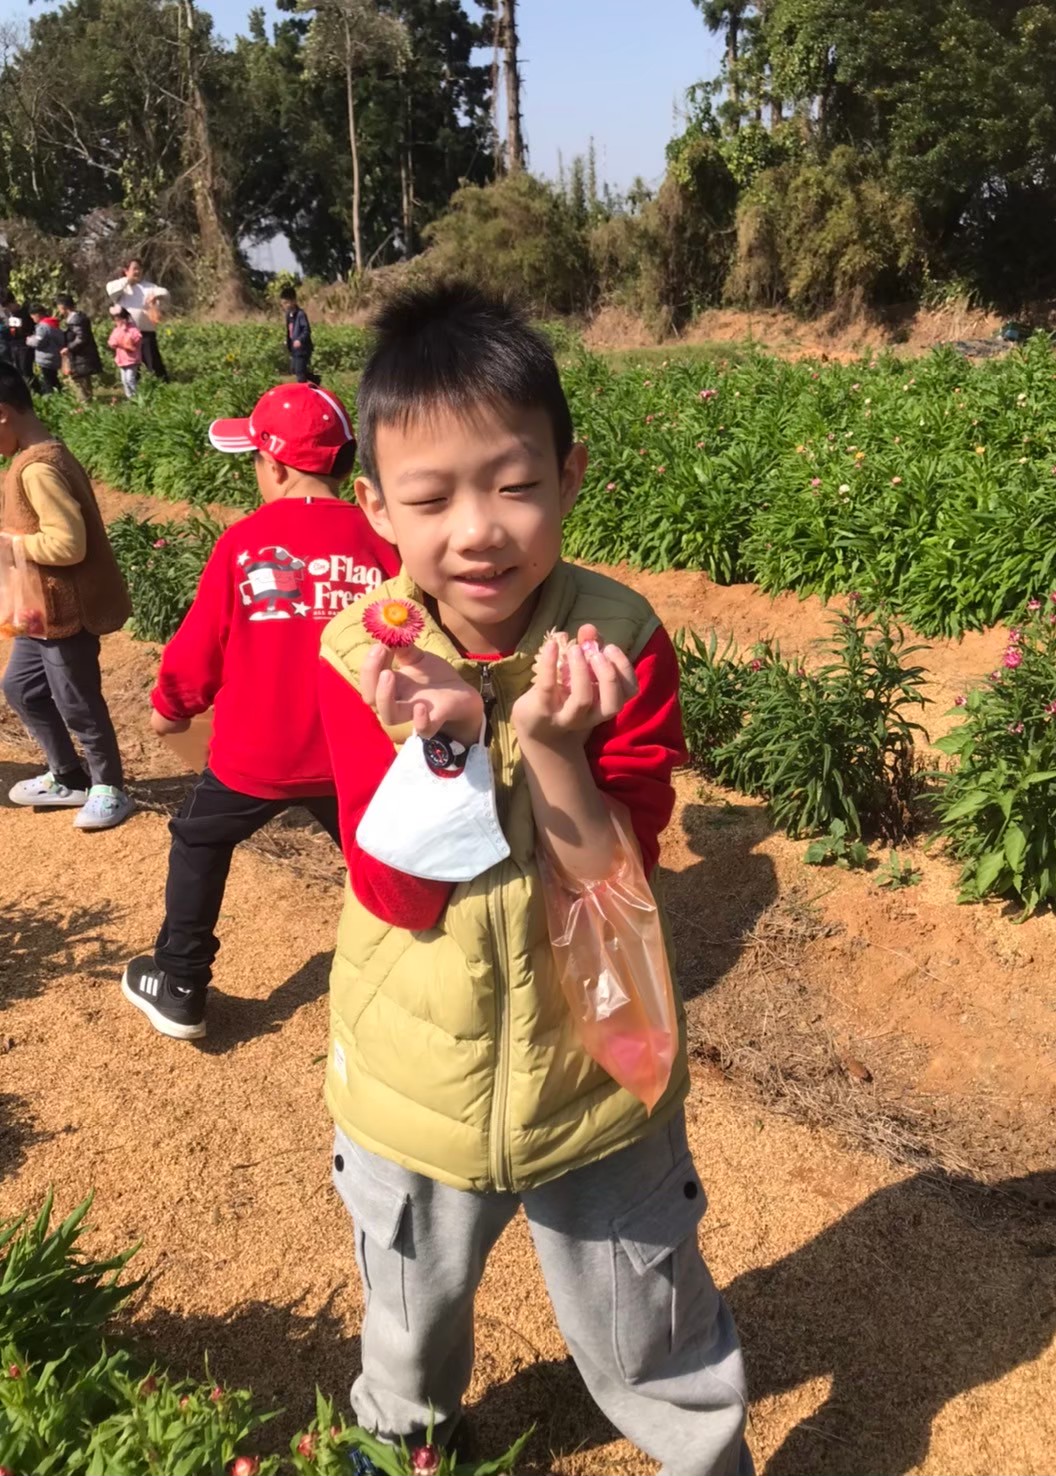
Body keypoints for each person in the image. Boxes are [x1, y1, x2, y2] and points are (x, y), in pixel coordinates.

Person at [315, 284, 752, 1476]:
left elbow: (617, 881)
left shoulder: (621, 639)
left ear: (568, 476)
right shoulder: (360, 653)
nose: (477, 532)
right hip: (415, 1079)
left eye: (513, 486)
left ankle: (702, 1454)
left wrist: (552, 748)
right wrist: (446, 749)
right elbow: (397, 893)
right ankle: (403, 1442)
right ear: (374, 508)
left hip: (598, 1073)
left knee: (650, 1322)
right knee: (409, 1317)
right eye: (429, 499)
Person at [120, 381, 399, 1042]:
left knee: (199, 839)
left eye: (254, 459)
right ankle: (411, 979)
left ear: (274, 466)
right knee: (385, 860)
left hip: (256, 756)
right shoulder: (382, 538)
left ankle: (181, 984)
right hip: (356, 757)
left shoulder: (245, 542)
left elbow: (200, 647)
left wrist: (171, 708)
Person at [0, 363, 135, 830]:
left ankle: (109, 786)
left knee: (77, 700)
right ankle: (67, 775)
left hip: (66, 612)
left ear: (2, 413)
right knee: (21, 688)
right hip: (40, 611)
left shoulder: (38, 468)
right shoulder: (34, 456)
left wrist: (11, 546)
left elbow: (68, 544)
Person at [106, 258, 169, 382]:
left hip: (145, 332)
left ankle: (161, 385)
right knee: (131, 364)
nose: (137, 271)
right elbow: (111, 290)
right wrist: (128, 280)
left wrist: (155, 296)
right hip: (127, 335)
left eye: (139, 269)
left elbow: (165, 293)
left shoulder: (148, 287)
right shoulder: (120, 287)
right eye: (134, 269)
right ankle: (135, 387)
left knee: (153, 362)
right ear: (126, 270)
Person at [57, 294, 104, 401]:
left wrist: (69, 348)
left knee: (81, 380)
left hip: (81, 356)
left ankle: (85, 402)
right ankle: (86, 400)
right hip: (80, 356)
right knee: (82, 379)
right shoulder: (75, 319)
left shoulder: (76, 320)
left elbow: (81, 338)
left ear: (62, 307)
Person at [280, 285, 318, 385]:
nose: (284, 305)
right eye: (283, 303)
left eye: (286, 303)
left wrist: (300, 340)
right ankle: (316, 380)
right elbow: (290, 330)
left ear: (293, 301)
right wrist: (288, 340)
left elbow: (306, 330)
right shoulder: (288, 315)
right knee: (294, 369)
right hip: (294, 348)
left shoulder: (301, 314)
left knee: (300, 373)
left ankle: (303, 389)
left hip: (303, 348)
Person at [27, 305, 65, 395]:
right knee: (53, 379)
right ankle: (59, 394)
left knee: (49, 381)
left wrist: (29, 340)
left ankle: (52, 397)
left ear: (37, 315)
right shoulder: (53, 324)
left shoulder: (43, 327)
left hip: (46, 357)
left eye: (33, 317)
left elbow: (39, 342)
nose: (33, 320)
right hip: (54, 355)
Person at [107, 306, 143, 399]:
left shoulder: (132, 329)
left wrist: (127, 339)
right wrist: (116, 343)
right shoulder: (116, 330)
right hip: (122, 359)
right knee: (124, 380)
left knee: (130, 379)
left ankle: (135, 396)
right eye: (116, 320)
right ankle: (129, 396)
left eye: (119, 319)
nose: (118, 321)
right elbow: (111, 341)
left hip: (132, 359)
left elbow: (137, 338)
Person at [0, 292, 35, 385]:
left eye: (9, 307)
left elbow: (26, 330)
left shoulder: (24, 313)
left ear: (13, 303)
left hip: (24, 345)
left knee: (26, 370)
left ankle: (34, 387)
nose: (8, 310)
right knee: (20, 370)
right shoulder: (13, 316)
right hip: (15, 346)